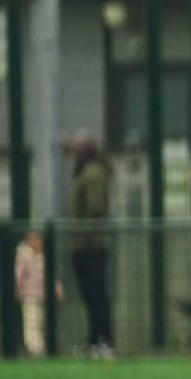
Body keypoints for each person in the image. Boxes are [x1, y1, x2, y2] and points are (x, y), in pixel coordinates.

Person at [67, 130, 114, 358]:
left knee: (96, 294)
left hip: (91, 245)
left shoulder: (92, 173)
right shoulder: (88, 172)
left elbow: (95, 208)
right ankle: (95, 339)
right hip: (87, 243)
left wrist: (82, 237)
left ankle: (103, 340)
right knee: (91, 294)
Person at [14, 229, 56, 358]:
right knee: (31, 321)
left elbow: (52, 276)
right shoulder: (24, 255)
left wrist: (57, 290)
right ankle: (34, 348)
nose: (37, 242)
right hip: (29, 295)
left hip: (44, 295)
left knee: (42, 322)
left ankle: (43, 347)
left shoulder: (44, 255)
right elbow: (19, 275)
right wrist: (18, 291)